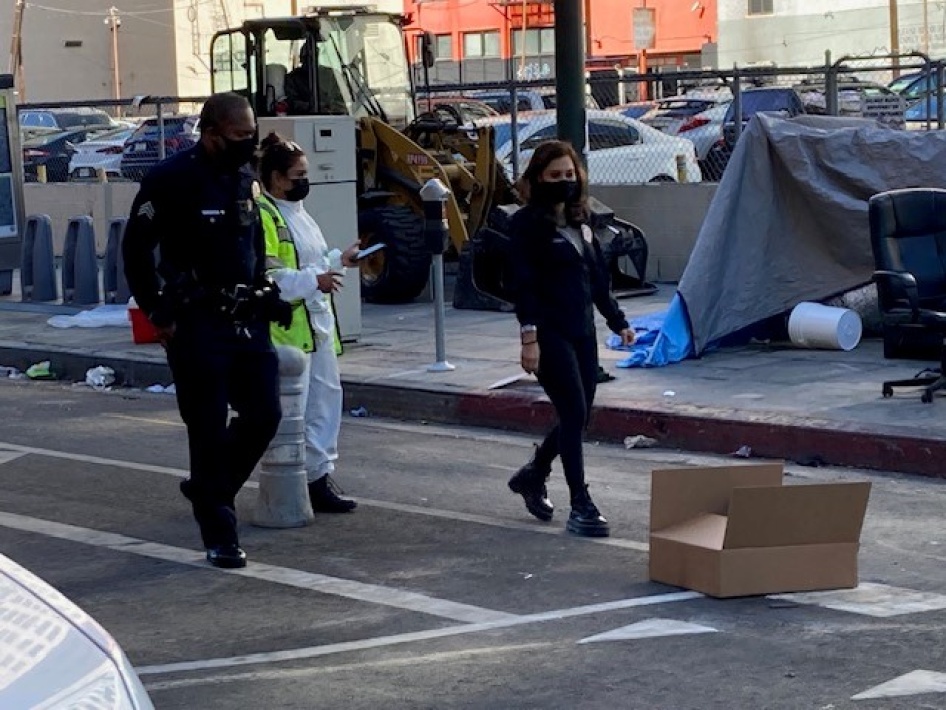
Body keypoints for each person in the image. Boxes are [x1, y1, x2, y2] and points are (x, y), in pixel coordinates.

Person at [122, 92, 292, 569]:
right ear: (212, 133)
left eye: (252, 135)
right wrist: (158, 311)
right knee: (208, 429)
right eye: (241, 136)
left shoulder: (245, 179)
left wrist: (267, 292)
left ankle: (207, 490)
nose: (249, 144)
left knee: (265, 415)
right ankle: (219, 531)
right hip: (196, 323)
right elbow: (136, 251)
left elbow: (252, 243)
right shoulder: (170, 180)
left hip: (246, 319)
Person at [506, 140, 636, 538]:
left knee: (576, 416)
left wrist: (618, 322)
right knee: (575, 413)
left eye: (569, 175)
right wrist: (529, 339)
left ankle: (535, 473)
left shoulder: (583, 220)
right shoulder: (526, 225)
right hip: (548, 333)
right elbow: (522, 284)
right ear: (537, 179)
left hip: (582, 331)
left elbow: (597, 280)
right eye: (553, 176)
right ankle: (581, 502)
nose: (563, 182)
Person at [255, 132, 360, 513]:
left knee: (325, 404)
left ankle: (317, 476)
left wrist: (339, 261)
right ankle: (303, 479)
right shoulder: (266, 216)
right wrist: (315, 281)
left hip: (316, 327)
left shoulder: (301, 215)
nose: (305, 181)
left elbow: (311, 264)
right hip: (289, 331)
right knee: (295, 412)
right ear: (277, 178)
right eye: (298, 175)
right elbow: (272, 278)